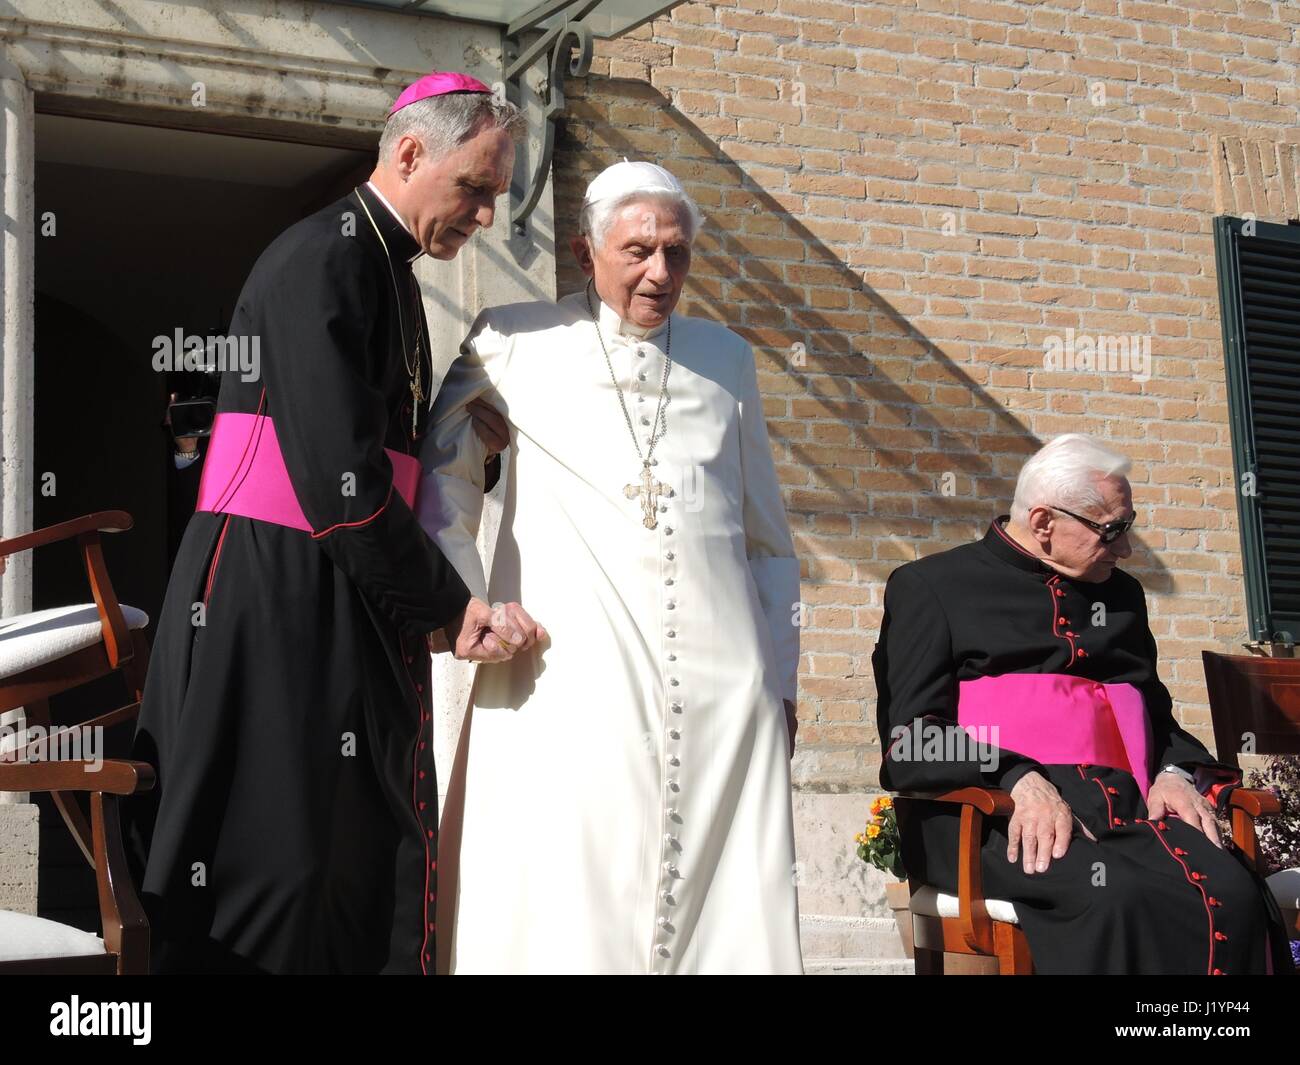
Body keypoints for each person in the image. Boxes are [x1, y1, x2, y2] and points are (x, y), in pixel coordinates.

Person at [124, 71, 542, 974]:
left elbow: (379, 449)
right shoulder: (326, 255)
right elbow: (340, 475)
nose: (482, 217)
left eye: (495, 198)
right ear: (408, 152)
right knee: (276, 854)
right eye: (473, 188)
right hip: (274, 593)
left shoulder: (383, 267)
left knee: (340, 847)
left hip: (335, 589)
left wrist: (472, 441)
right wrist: (449, 605)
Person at [419, 160, 804, 974]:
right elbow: (441, 472)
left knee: (721, 912)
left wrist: (781, 682)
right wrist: (467, 604)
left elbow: (768, 541)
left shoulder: (727, 360)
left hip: (723, 691)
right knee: (567, 892)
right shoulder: (513, 339)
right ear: (583, 250)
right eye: (638, 251)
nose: (661, 273)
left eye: (678, 252)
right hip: (566, 672)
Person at [874, 433, 1295, 974]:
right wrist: (1015, 775)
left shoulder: (1122, 596)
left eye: (1129, 526)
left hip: (1126, 804)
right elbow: (911, 740)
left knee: (1235, 895)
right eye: (1111, 531)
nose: (1125, 549)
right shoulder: (931, 586)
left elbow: (1152, 710)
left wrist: (1173, 772)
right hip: (993, 814)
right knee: (1114, 898)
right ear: (1044, 522)